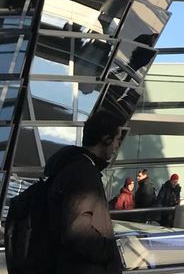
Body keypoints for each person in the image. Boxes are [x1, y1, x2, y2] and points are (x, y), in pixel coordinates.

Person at [39, 109, 126, 273]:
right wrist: (110, 252)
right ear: (106, 139)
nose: (117, 146)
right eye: (117, 139)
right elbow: (78, 230)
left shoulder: (73, 167)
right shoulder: (83, 173)